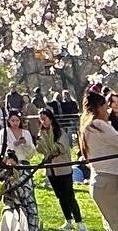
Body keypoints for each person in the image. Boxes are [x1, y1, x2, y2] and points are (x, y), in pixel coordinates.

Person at [35, 106, 85, 231]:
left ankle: (79, 222)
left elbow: (61, 149)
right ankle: (68, 221)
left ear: (51, 119)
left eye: (44, 119)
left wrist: (49, 146)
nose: (43, 122)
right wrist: (41, 145)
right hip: (51, 171)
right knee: (61, 197)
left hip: (63, 169)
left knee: (69, 196)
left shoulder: (60, 132)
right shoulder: (41, 133)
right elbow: (40, 149)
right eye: (41, 120)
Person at [81, 86, 118, 229]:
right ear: (99, 108)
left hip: (102, 181)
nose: (108, 111)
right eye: (105, 107)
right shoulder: (97, 125)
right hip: (108, 180)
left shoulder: (88, 127)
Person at [0, 109, 40, 231]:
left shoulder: (25, 133)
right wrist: (15, 144)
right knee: (13, 193)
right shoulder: (4, 132)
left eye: (17, 120)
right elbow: (2, 150)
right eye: (12, 120)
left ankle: (32, 223)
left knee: (27, 193)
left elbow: (31, 153)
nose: (15, 123)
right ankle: (16, 222)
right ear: (8, 121)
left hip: (24, 165)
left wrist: (26, 144)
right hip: (11, 165)